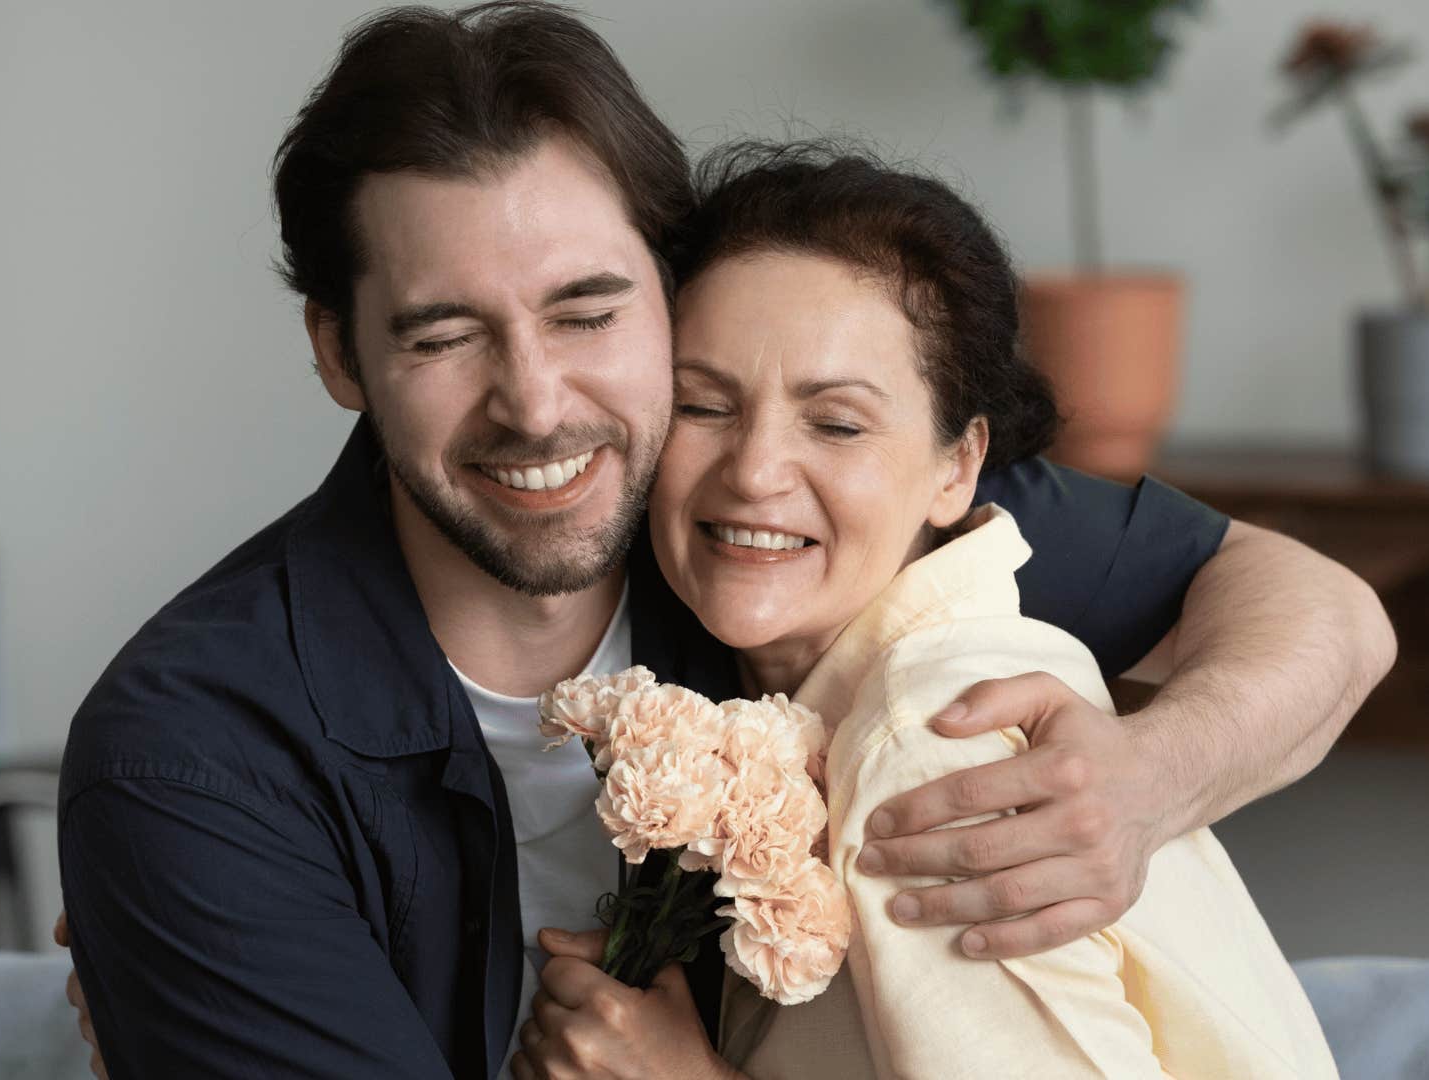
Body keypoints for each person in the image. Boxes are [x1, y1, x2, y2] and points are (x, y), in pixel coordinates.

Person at [56, 4, 1394, 1078]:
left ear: (666, 297)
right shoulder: (194, 757)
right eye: (445, 331)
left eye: (588, 312)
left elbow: (1319, 609)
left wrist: (1155, 774)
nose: (536, 405)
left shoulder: (770, 527)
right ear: (342, 353)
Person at [506, 143, 1338, 1080]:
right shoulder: (812, 709)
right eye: (703, 406)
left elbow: (1337, 612)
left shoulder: (932, 741)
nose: (754, 472)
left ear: (958, 467)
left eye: (838, 423)